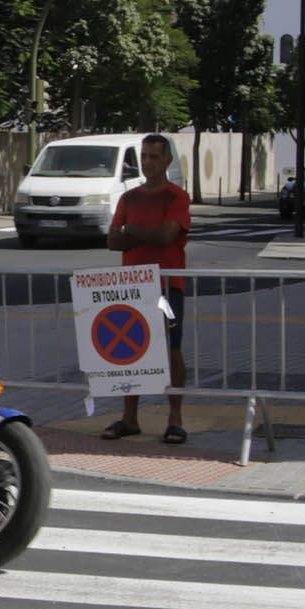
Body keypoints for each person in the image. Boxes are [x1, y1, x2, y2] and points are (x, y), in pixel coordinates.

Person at [103, 133, 192, 445]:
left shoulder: (177, 197)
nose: (148, 163)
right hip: (133, 286)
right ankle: (129, 417)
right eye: (144, 157)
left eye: (155, 157)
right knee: (131, 351)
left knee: (172, 348)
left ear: (167, 161)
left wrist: (132, 232)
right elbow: (111, 240)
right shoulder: (129, 197)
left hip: (168, 287)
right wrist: (139, 234)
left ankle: (176, 419)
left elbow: (167, 236)